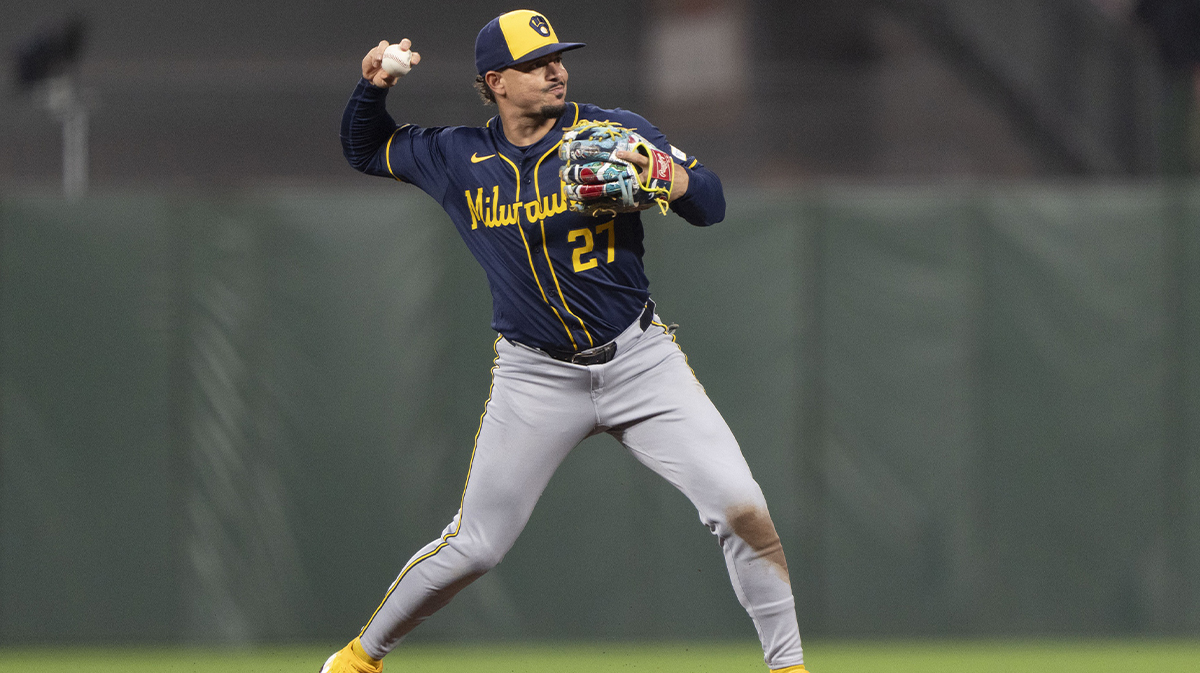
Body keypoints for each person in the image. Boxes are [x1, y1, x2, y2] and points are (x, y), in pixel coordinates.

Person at [323, 10, 808, 673]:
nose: (556, 69)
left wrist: (670, 177)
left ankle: (789, 668)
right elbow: (363, 147)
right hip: (535, 377)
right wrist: (373, 86)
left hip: (641, 362)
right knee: (476, 545)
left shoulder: (613, 132)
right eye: (536, 62)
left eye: (558, 56)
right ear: (496, 81)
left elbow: (712, 202)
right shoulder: (455, 155)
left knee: (741, 507)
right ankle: (354, 660)